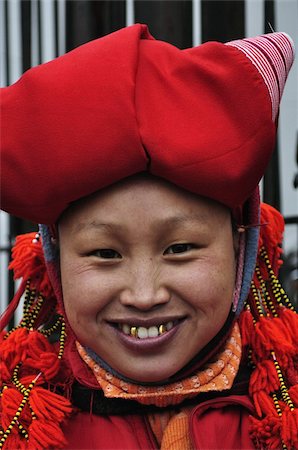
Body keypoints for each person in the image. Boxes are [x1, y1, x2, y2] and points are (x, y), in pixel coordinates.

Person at [0, 24, 297, 450]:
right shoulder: (18, 424)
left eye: (179, 248)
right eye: (105, 253)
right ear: (54, 260)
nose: (144, 295)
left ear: (240, 248)